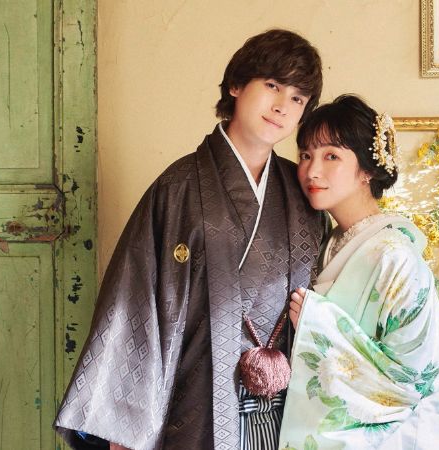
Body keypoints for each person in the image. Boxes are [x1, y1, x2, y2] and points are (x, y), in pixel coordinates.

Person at [54, 29, 327, 450]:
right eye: (273, 86)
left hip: (286, 414)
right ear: (236, 85)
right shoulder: (178, 188)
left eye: (297, 98)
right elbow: (135, 303)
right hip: (195, 409)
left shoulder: (301, 192)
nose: (282, 107)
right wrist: (122, 429)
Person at [279, 95, 439, 449]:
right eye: (306, 155)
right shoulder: (329, 242)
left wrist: (317, 321)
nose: (312, 171)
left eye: (331, 156)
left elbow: (415, 373)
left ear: (367, 170)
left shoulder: (394, 255)